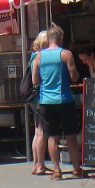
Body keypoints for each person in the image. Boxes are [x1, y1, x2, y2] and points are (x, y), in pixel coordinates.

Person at [32, 24, 82, 180]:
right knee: (70, 135)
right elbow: (74, 76)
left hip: (46, 101)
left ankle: (56, 170)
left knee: (52, 137)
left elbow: (35, 80)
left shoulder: (39, 56)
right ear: (61, 38)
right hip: (64, 100)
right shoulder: (66, 54)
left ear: (48, 39)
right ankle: (76, 169)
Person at [28, 31, 50, 176]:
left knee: (37, 132)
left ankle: (36, 164)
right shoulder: (40, 56)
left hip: (34, 96)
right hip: (40, 95)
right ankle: (40, 165)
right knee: (42, 132)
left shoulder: (33, 55)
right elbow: (38, 79)